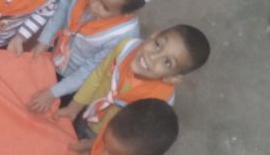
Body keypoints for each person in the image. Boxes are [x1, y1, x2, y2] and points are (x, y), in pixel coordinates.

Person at [27, 0, 162, 112]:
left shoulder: (123, 35)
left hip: (71, 81)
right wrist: (44, 40)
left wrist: (54, 92)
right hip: (51, 54)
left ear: (126, 12)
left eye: (105, 8)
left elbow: (91, 71)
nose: (93, 5)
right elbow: (64, 5)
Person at [56, 25, 210, 138]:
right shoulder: (125, 48)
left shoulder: (159, 101)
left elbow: (133, 133)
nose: (152, 56)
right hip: (86, 108)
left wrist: (94, 146)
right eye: (158, 44)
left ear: (173, 78)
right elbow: (97, 76)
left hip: (105, 137)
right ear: (154, 34)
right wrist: (73, 108)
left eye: (167, 62)